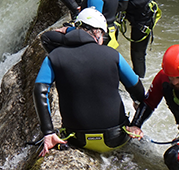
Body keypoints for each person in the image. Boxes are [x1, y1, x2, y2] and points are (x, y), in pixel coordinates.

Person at [33, 8, 145, 156]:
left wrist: (48, 132)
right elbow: (139, 92)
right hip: (115, 138)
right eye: (103, 35)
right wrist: (136, 122)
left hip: (77, 138)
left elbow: (39, 91)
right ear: (97, 32)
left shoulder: (54, 56)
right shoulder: (113, 55)